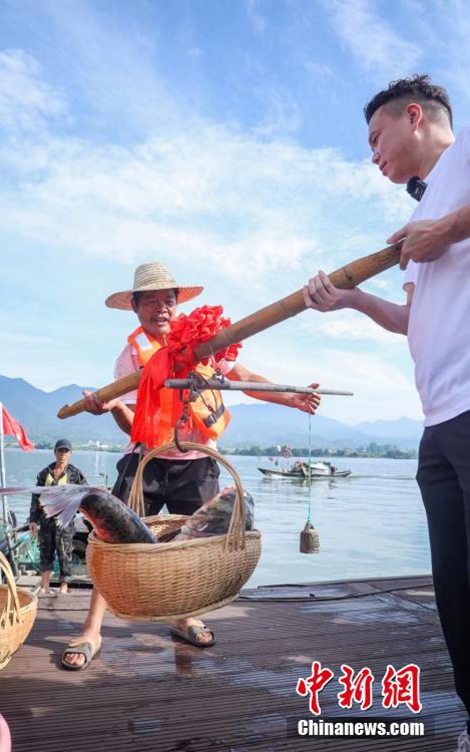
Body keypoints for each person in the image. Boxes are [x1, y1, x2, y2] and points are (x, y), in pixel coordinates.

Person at [302, 74, 470, 752]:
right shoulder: (426, 205)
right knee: (455, 588)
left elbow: (450, 233)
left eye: (376, 138)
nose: (372, 153)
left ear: (414, 116)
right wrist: (349, 301)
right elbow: (412, 318)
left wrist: (450, 228)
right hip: (440, 420)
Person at [62, 261, 321, 669]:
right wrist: (109, 407)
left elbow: (246, 376)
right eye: (152, 302)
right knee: (111, 543)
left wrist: (290, 397)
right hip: (145, 459)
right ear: (135, 307)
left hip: (198, 459)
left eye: (168, 301)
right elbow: (131, 421)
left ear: (177, 305)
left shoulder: (205, 343)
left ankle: (183, 617)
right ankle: (92, 629)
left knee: (196, 542)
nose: (162, 309)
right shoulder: (130, 358)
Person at [29, 439, 87, 595]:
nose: (63, 454)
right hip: (46, 520)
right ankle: (45, 586)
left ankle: (64, 585)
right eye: (60, 451)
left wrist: (76, 507)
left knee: (64, 552)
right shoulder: (44, 473)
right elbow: (35, 497)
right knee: (45, 551)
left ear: (70, 454)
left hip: (64, 520)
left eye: (66, 451)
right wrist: (33, 520)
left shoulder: (75, 474)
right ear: (55, 452)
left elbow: (85, 494)